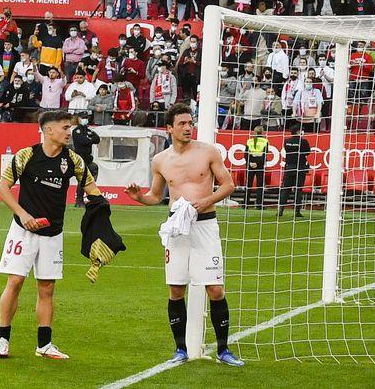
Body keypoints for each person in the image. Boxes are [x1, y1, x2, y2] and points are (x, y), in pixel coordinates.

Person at [125, 103, 243, 366]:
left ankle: (223, 350)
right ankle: (180, 350)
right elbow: (156, 196)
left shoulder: (208, 152)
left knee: (215, 288)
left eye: (190, 123)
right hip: (177, 228)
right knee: (176, 289)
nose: (188, 127)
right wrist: (139, 198)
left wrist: (207, 200)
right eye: (182, 124)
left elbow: (229, 185)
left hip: (205, 225)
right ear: (169, 128)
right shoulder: (160, 160)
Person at [0, 110, 99, 360]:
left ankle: (44, 345)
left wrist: (101, 209)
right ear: (48, 130)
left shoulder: (73, 160)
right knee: (15, 281)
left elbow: (92, 189)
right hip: (22, 231)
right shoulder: (26, 155)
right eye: (64, 128)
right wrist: (23, 215)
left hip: (53, 233)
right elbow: (2, 188)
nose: (69, 132)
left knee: (47, 288)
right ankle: (2, 340)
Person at [278, 124, 309, 218]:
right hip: (300, 167)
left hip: (289, 167)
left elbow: (286, 151)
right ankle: (297, 212)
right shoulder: (303, 141)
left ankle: (281, 210)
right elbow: (307, 152)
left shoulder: (286, 141)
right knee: (298, 190)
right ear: (298, 132)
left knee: (286, 190)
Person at [71, 114, 100, 208]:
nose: (85, 120)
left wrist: (89, 139)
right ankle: (79, 200)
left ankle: (90, 194)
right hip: (79, 159)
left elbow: (97, 139)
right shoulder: (76, 131)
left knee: (94, 168)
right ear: (79, 119)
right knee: (82, 178)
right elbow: (83, 141)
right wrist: (90, 139)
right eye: (83, 118)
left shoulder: (88, 130)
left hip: (88, 159)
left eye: (86, 118)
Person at [244, 125, 269, 209]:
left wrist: (250, 162)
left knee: (248, 184)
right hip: (260, 165)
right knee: (260, 185)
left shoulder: (249, 141)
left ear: (254, 132)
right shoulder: (265, 141)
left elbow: (246, 154)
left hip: (250, 164)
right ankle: (259, 204)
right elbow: (265, 155)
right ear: (262, 132)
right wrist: (258, 163)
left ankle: (245, 204)